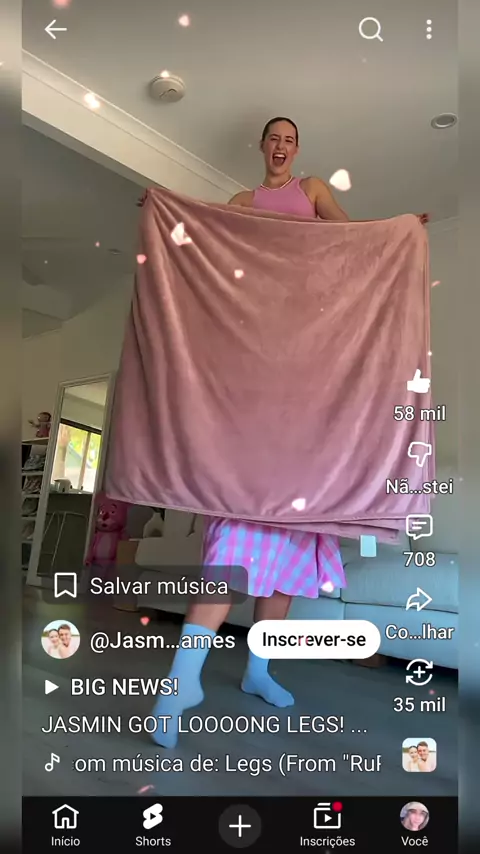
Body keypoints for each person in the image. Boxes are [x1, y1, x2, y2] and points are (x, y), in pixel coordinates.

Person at [151, 118, 428, 749]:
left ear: (296, 150)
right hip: (258, 373)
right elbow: (204, 242)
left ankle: (258, 671)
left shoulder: (312, 189)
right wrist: (163, 212)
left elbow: (352, 238)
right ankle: (181, 683)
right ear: (261, 146)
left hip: (310, 387)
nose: (280, 145)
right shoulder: (243, 203)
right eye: (272, 137)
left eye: (289, 139)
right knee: (231, 557)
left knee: (286, 567)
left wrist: (400, 229)